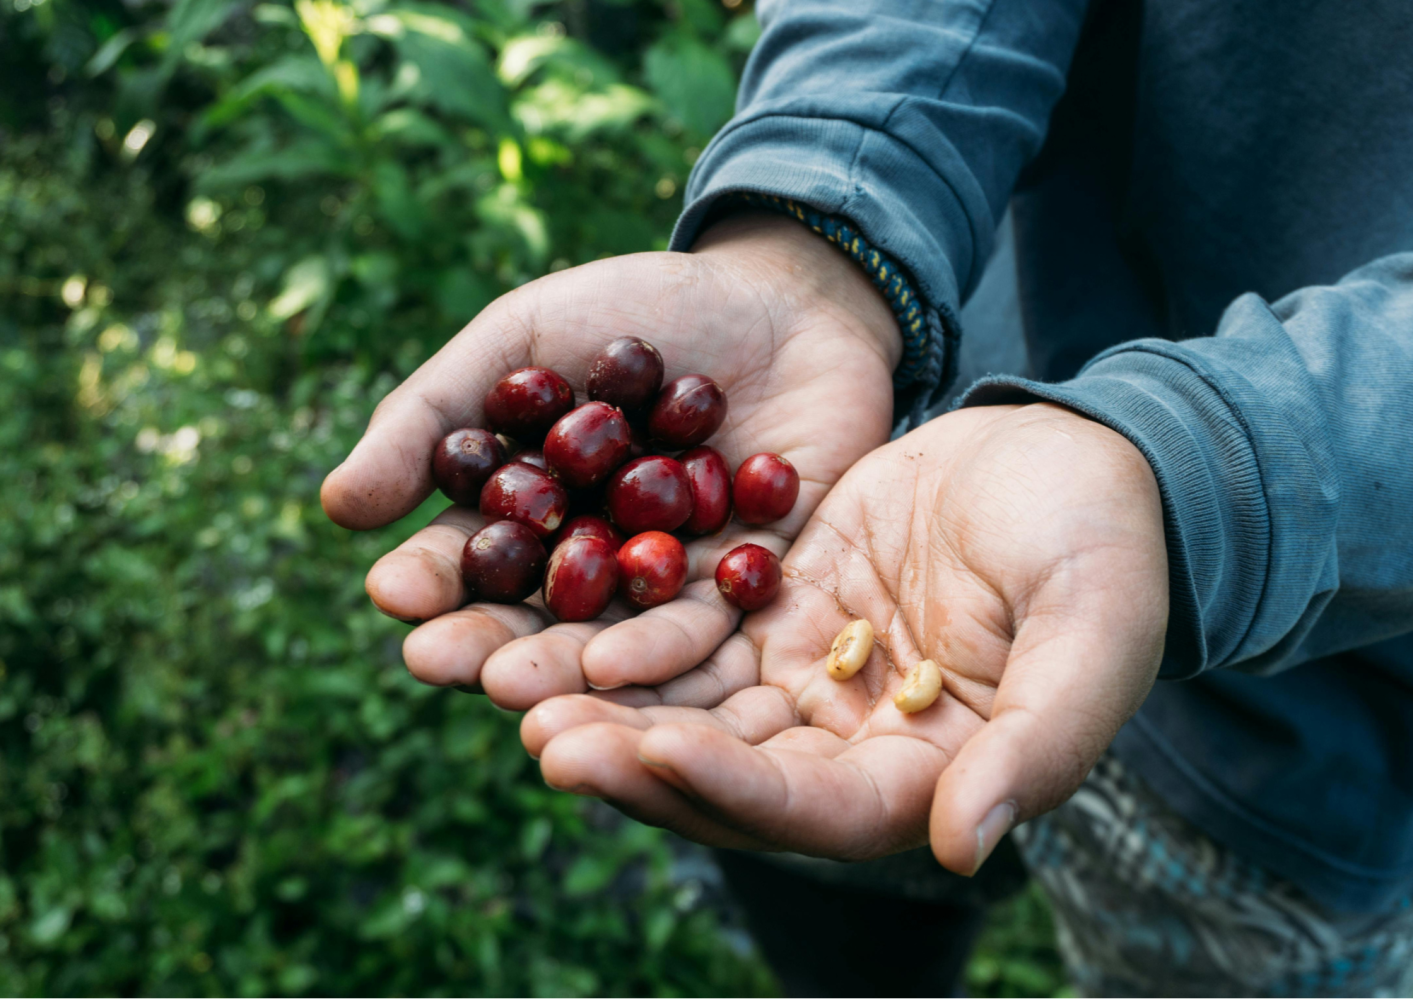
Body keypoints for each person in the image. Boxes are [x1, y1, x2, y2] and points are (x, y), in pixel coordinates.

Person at [320, 0, 1413, 994]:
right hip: (897, 485)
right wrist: (821, 220)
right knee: (824, 875)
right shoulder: (803, 497)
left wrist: (1204, 470)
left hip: (1315, 719)